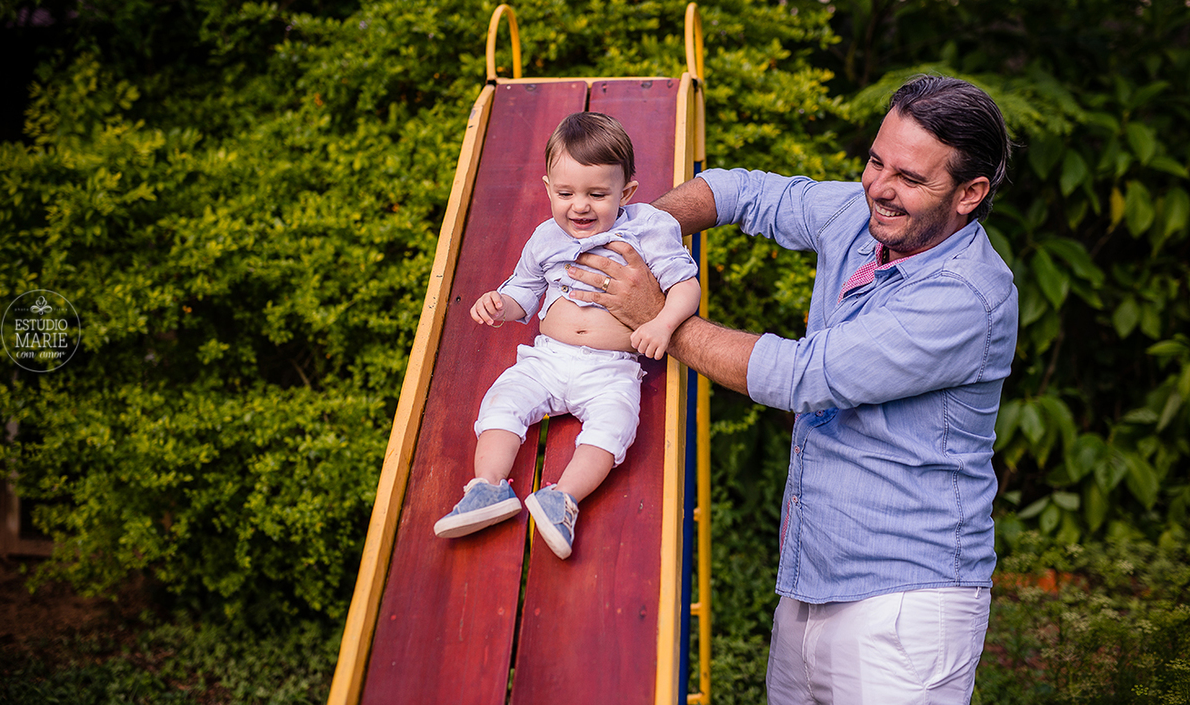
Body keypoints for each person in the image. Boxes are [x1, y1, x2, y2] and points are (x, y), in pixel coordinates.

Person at [568, 76, 1018, 702]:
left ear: (971, 193)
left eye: (910, 179)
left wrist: (660, 314)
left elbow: (802, 377)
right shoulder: (860, 217)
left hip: (908, 605)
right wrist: (632, 236)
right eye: (875, 161)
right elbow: (740, 191)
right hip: (811, 581)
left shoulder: (966, 296)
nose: (880, 189)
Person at [433, 111, 701, 560]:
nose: (580, 206)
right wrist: (501, 305)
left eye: (597, 194)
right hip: (548, 358)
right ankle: (488, 488)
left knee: (615, 427)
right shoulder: (544, 237)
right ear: (547, 189)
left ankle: (563, 498)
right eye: (565, 193)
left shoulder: (647, 229)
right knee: (503, 401)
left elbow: (685, 285)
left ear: (626, 192)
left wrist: (662, 323)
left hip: (611, 368)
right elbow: (523, 290)